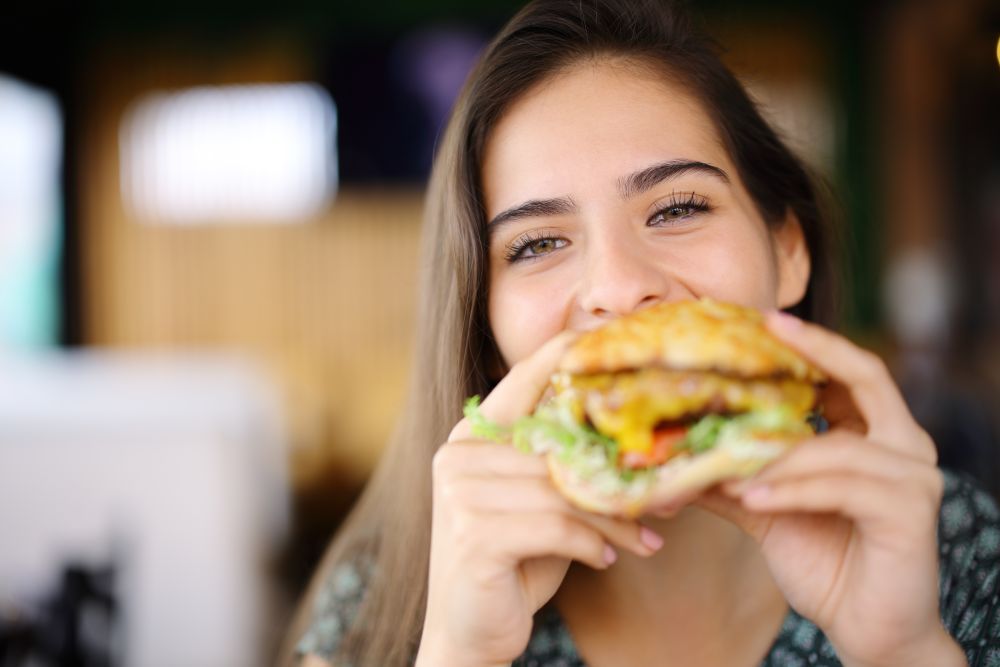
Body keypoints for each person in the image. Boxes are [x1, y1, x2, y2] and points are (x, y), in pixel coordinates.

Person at [284, 0, 1000, 665]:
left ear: (788, 251)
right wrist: (457, 651)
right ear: (483, 320)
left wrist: (907, 649)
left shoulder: (955, 548)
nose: (621, 288)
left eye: (678, 207)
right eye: (535, 244)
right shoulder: (377, 609)